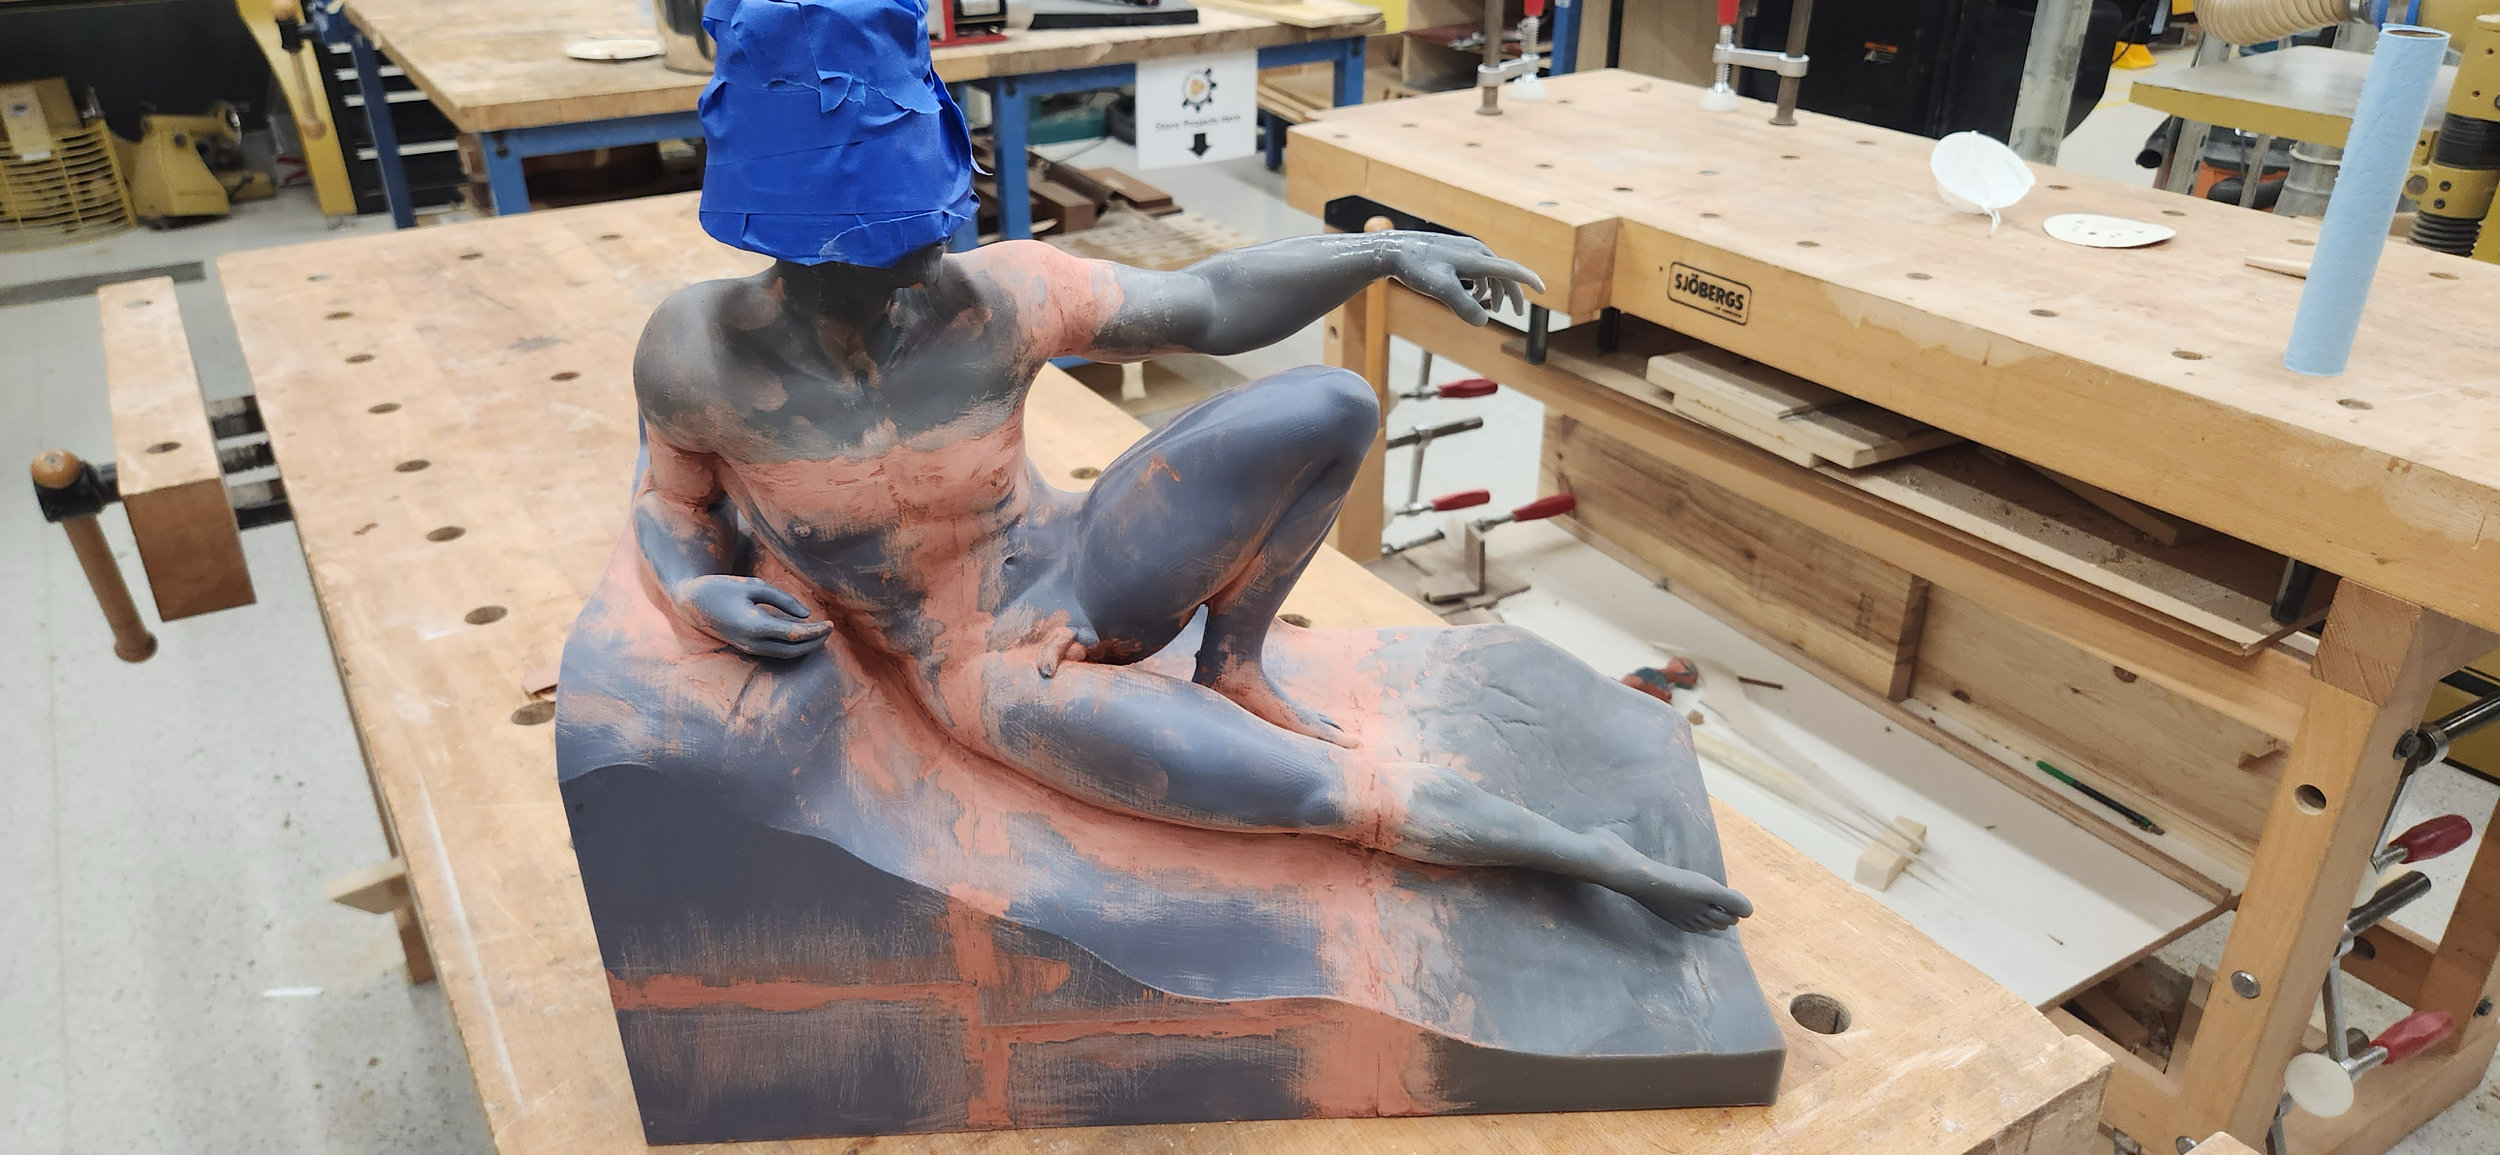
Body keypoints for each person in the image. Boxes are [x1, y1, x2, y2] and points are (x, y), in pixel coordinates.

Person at [627, 0, 1750, 933]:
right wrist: (694, 586)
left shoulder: (994, 297)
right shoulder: (697, 354)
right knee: (1319, 794)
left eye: (922, 236)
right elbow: (669, 501)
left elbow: (1207, 303)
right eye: (871, 255)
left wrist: (1384, 250)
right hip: (990, 667)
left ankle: (1236, 662)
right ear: (787, 243)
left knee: (1333, 402)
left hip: (1076, 556)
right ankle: (1593, 861)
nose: (916, 268)